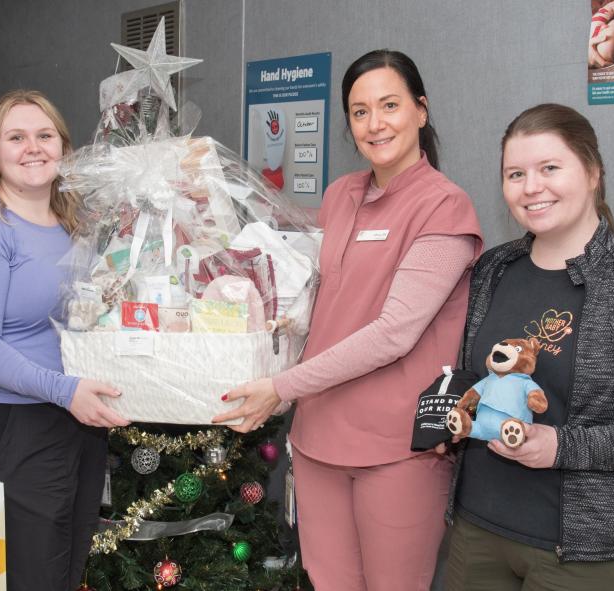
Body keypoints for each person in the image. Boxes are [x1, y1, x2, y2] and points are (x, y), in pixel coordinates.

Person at [213, 50, 483, 590]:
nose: (375, 123)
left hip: (395, 450)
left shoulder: (444, 208)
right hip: (318, 440)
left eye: (389, 105)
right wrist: (206, 200)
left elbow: (394, 332)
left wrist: (280, 386)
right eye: (360, 112)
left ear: (421, 111)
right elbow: (289, 271)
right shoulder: (341, 196)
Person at [441, 103, 614, 590]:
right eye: (515, 173)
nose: (531, 187)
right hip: (476, 529)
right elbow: (472, 374)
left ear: (592, 172)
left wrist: (562, 446)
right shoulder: (491, 270)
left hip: (589, 554)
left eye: (549, 168)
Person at [0, 89, 129, 591]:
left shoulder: (71, 223)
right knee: (32, 574)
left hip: (76, 419)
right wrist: (65, 391)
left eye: (45, 135)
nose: (33, 147)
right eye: (16, 137)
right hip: (17, 427)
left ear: (63, 148)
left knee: (68, 567)